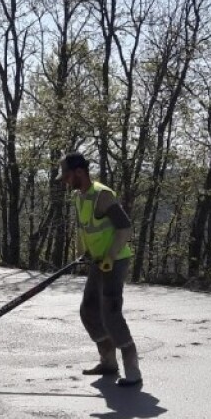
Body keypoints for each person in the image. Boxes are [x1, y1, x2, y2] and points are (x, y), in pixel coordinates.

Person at [57, 152, 142, 386]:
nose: (64, 181)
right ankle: (108, 361)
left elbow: (125, 228)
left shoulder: (102, 195)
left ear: (79, 172)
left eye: (66, 176)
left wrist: (111, 256)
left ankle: (132, 370)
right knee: (89, 310)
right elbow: (85, 228)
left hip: (115, 261)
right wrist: (82, 252)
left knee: (110, 312)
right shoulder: (79, 196)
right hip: (97, 260)